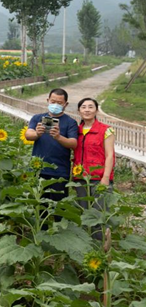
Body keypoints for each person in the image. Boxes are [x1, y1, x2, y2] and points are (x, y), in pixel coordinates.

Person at [25, 88, 78, 203]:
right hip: (38, 169)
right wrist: (37, 134)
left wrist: (59, 137)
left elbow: (73, 143)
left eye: (59, 103)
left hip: (60, 171)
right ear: (48, 100)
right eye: (53, 102)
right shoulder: (38, 118)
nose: (55, 105)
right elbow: (28, 134)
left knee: (59, 207)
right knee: (39, 205)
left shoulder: (70, 122)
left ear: (66, 104)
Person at [72, 97, 115, 239]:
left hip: (99, 178)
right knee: (84, 215)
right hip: (81, 178)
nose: (87, 110)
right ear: (79, 110)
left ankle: (101, 247)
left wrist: (106, 178)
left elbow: (110, 155)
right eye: (83, 107)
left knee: (99, 214)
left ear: (96, 110)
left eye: (91, 107)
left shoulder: (106, 130)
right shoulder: (75, 131)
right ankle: (87, 248)